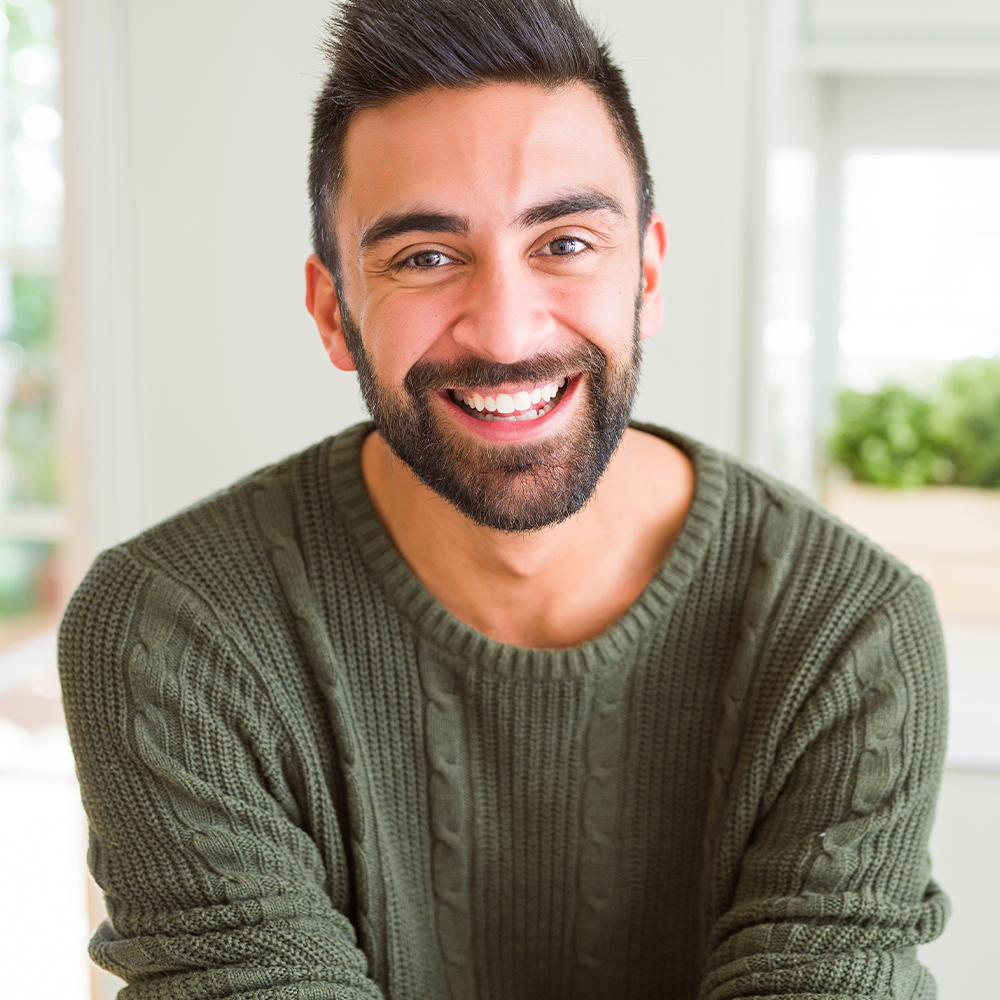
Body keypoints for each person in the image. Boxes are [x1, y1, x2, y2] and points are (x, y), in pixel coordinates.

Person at [59, 1, 949, 997]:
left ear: (646, 272)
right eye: (425, 258)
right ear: (333, 313)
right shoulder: (174, 633)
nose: (507, 331)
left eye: (565, 243)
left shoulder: (845, 632)